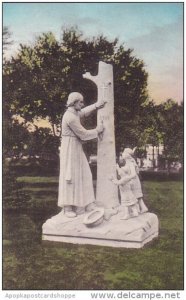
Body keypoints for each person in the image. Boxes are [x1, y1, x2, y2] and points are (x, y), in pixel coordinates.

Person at [58, 92, 105, 218]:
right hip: (69, 148)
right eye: (80, 102)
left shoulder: (74, 112)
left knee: (85, 174)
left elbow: (83, 112)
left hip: (76, 146)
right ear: (74, 103)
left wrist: (96, 105)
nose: (82, 104)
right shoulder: (70, 117)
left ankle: (85, 204)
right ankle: (68, 207)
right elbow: (83, 134)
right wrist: (97, 130)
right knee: (70, 177)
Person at [111, 155, 139, 220]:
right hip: (129, 193)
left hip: (125, 194)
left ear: (122, 173)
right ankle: (135, 212)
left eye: (119, 173)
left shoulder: (123, 179)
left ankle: (126, 214)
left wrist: (112, 180)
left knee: (125, 204)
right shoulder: (127, 178)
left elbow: (117, 183)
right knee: (132, 202)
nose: (119, 174)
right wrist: (118, 168)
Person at [122, 148, 148, 214]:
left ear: (127, 155)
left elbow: (133, 174)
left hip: (133, 181)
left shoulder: (130, 163)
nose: (122, 154)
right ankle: (141, 208)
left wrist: (127, 178)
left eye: (124, 153)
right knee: (136, 196)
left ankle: (137, 210)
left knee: (134, 196)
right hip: (133, 181)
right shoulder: (128, 162)